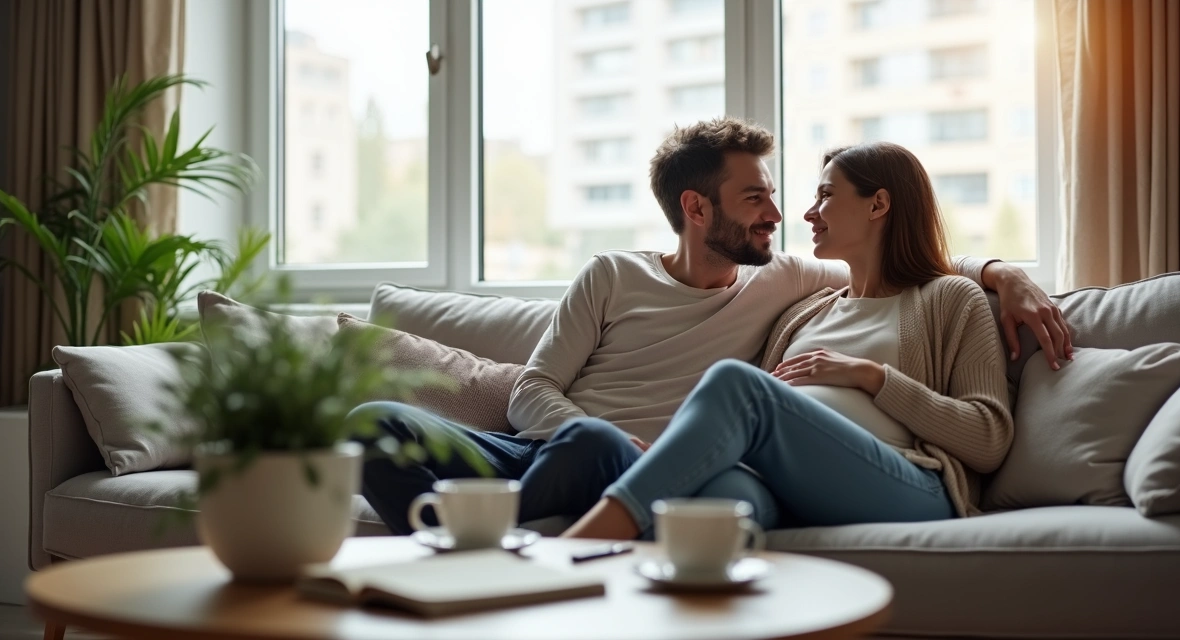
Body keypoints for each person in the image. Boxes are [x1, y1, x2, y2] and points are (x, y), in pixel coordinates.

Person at [352, 119, 1070, 535]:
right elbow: (533, 390)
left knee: (708, 415)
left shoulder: (922, 299)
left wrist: (1001, 274)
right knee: (376, 422)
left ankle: (569, 540)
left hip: (895, 480)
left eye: (812, 197)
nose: (788, 215)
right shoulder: (795, 302)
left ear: (877, 205)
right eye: (759, 197)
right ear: (698, 209)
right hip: (576, 449)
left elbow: (979, 419)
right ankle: (474, 542)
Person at [562, 141, 1019, 540]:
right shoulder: (808, 308)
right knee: (720, 500)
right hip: (793, 482)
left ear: (878, 204)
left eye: (825, 196)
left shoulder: (949, 298)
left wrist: (872, 377)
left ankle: (576, 548)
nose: (805, 214)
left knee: (735, 385)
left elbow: (988, 439)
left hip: (908, 486)